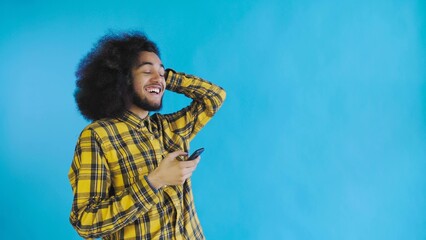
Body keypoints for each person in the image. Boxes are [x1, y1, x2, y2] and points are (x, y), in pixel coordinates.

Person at [68, 31, 226, 239]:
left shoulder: (169, 128)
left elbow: (214, 97)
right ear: (122, 78)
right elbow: (86, 222)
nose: (158, 79)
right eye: (146, 71)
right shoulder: (97, 136)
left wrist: (164, 78)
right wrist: (155, 180)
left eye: (161, 73)